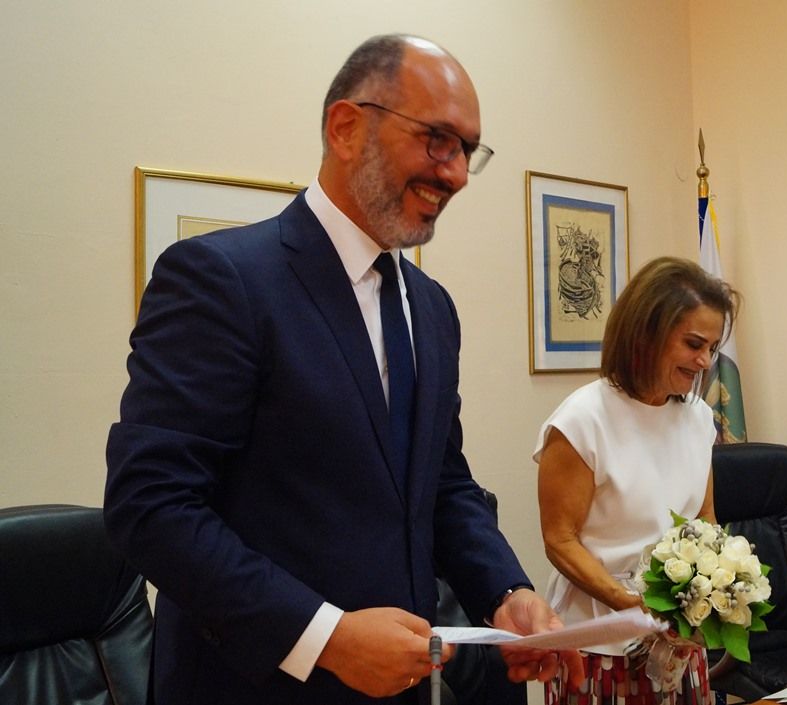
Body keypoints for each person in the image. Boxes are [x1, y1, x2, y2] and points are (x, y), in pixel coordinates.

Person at [104, 34, 581, 704]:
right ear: (346, 127)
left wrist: (506, 591)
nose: (455, 174)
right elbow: (150, 507)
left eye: (467, 151)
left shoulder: (432, 308)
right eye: (437, 140)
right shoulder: (222, 280)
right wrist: (326, 637)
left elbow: (442, 485)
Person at [534, 257, 740, 705]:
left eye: (712, 347)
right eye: (693, 344)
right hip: (599, 645)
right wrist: (631, 605)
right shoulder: (582, 420)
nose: (705, 361)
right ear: (646, 333)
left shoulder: (697, 417)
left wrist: (711, 594)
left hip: (677, 644)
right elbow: (560, 540)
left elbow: (704, 517)